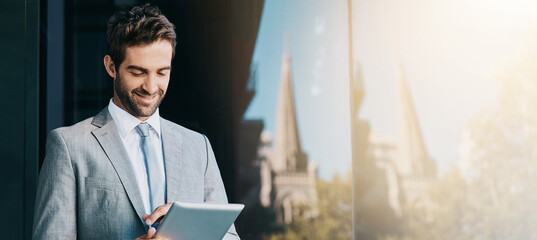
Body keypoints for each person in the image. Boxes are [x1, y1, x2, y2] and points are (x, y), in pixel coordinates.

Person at [32, 3, 239, 239]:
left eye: (162, 72)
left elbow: (229, 236)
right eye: (138, 72)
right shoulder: (69, 146)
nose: (151, 87)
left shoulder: (198, 147)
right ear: (111, 66)